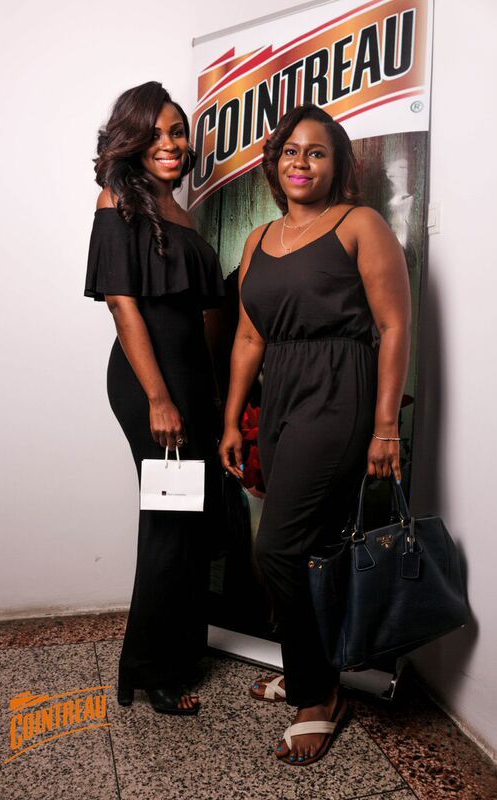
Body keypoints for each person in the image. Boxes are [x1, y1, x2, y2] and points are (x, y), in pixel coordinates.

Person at [219, 103, 411, 764]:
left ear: (338, 164)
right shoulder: (258, 240)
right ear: (276, 164)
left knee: (275, 548)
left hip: (339, 388)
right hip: (281, 396)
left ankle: (316, 693)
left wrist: (385, 427)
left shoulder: (359, 224)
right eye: (290, 151)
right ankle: (314, 665)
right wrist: (232, 419)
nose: (300, 162)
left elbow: (393, 326)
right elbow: (249, 337)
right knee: (313, 551)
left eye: (317, 151)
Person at [85, 82, 225, 715]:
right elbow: (123, 305)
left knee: (192, 521)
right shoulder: (117, 199)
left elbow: (202, 312)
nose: (170, 143)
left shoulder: (180, 211)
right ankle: (148, 669)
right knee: (169, 521)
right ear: (133, 141)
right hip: (150, 382)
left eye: (178, 131)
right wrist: (159, 399)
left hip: (190, 378)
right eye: (156, 133)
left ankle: (180, 650)